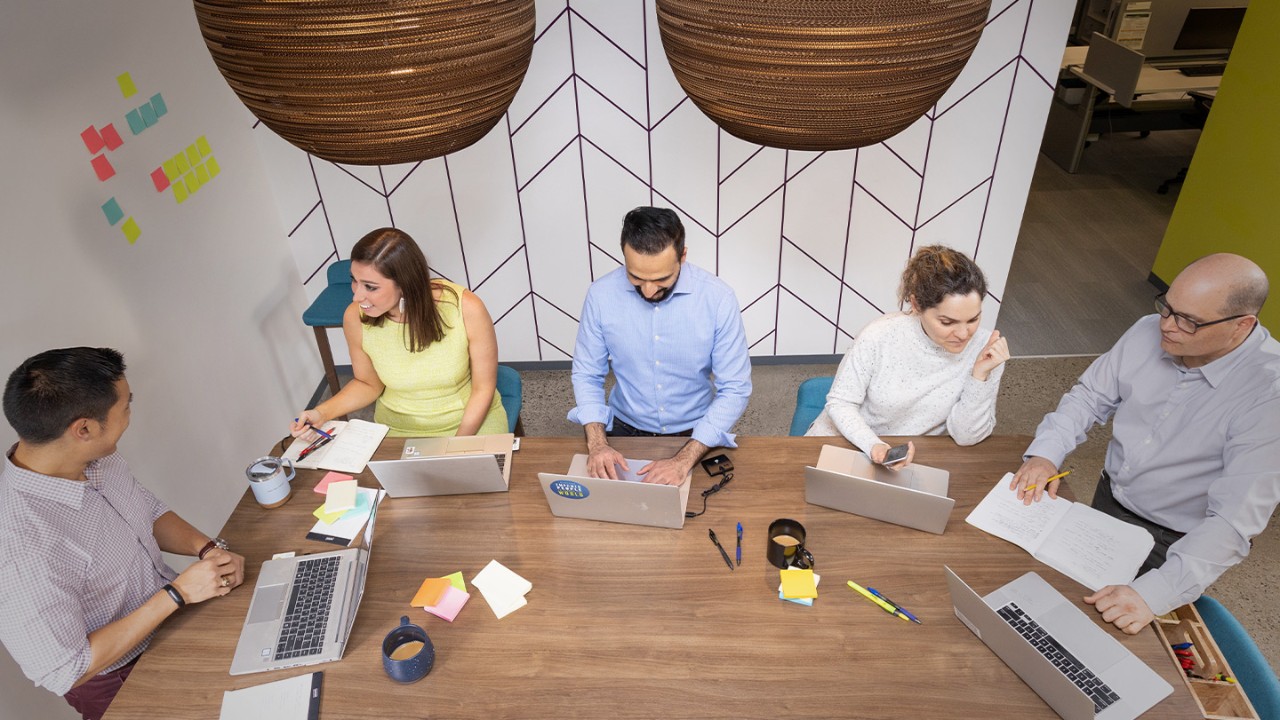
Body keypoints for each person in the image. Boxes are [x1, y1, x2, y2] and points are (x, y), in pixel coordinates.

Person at [1011, 253, 1280, 635]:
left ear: (1242, 326)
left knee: (1110, 637)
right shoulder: (1147, 330)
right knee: (1056, 605)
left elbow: (1233, 522)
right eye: (1167, 307)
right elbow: (1089, 397)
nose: (1167, 326)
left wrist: (1154, 594)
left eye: (1188, 321)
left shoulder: (1270, 396)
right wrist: (1045, 454)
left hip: (1174, 542)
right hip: (1108, 497)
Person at [0, 347, 245, 720]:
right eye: (125, 406)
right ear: (83, 429)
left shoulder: (98, 455)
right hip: (120, 678)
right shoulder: (18, 548)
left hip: (175, 620)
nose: (130, 414)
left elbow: (144, 508)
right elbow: (67, 669)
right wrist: (177, 594)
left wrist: (208, 549)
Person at [568, 206, 752, 486]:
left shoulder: (718, 299)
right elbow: (586, 374)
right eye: (636, 278)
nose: (649, 291)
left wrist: (683, 460)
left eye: (661, 279)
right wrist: (598, 445)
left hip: (696, 435)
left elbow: (736, 388)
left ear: (683, 256)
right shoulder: (601, 295)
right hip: (623, 430)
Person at [292, 227, 507, 439]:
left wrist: (455, 447)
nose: (357, 296)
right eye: (354, 281)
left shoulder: (466, 308)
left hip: (469, 424)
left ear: (404, 284)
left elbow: (483, 388)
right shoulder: (355, 318)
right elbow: (368, 384)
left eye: (370, 287)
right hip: (398, 429)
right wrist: (321, 413)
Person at [805, 245, 1010, 466]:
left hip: (909, 456)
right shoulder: (880, 335)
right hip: (847, 441)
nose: (963, 334)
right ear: (916, 305)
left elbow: (967, 437)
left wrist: (980, 376)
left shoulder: (986, 350)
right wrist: (874, 446)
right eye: (947, 322)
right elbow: (840, 402)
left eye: (973, 320)